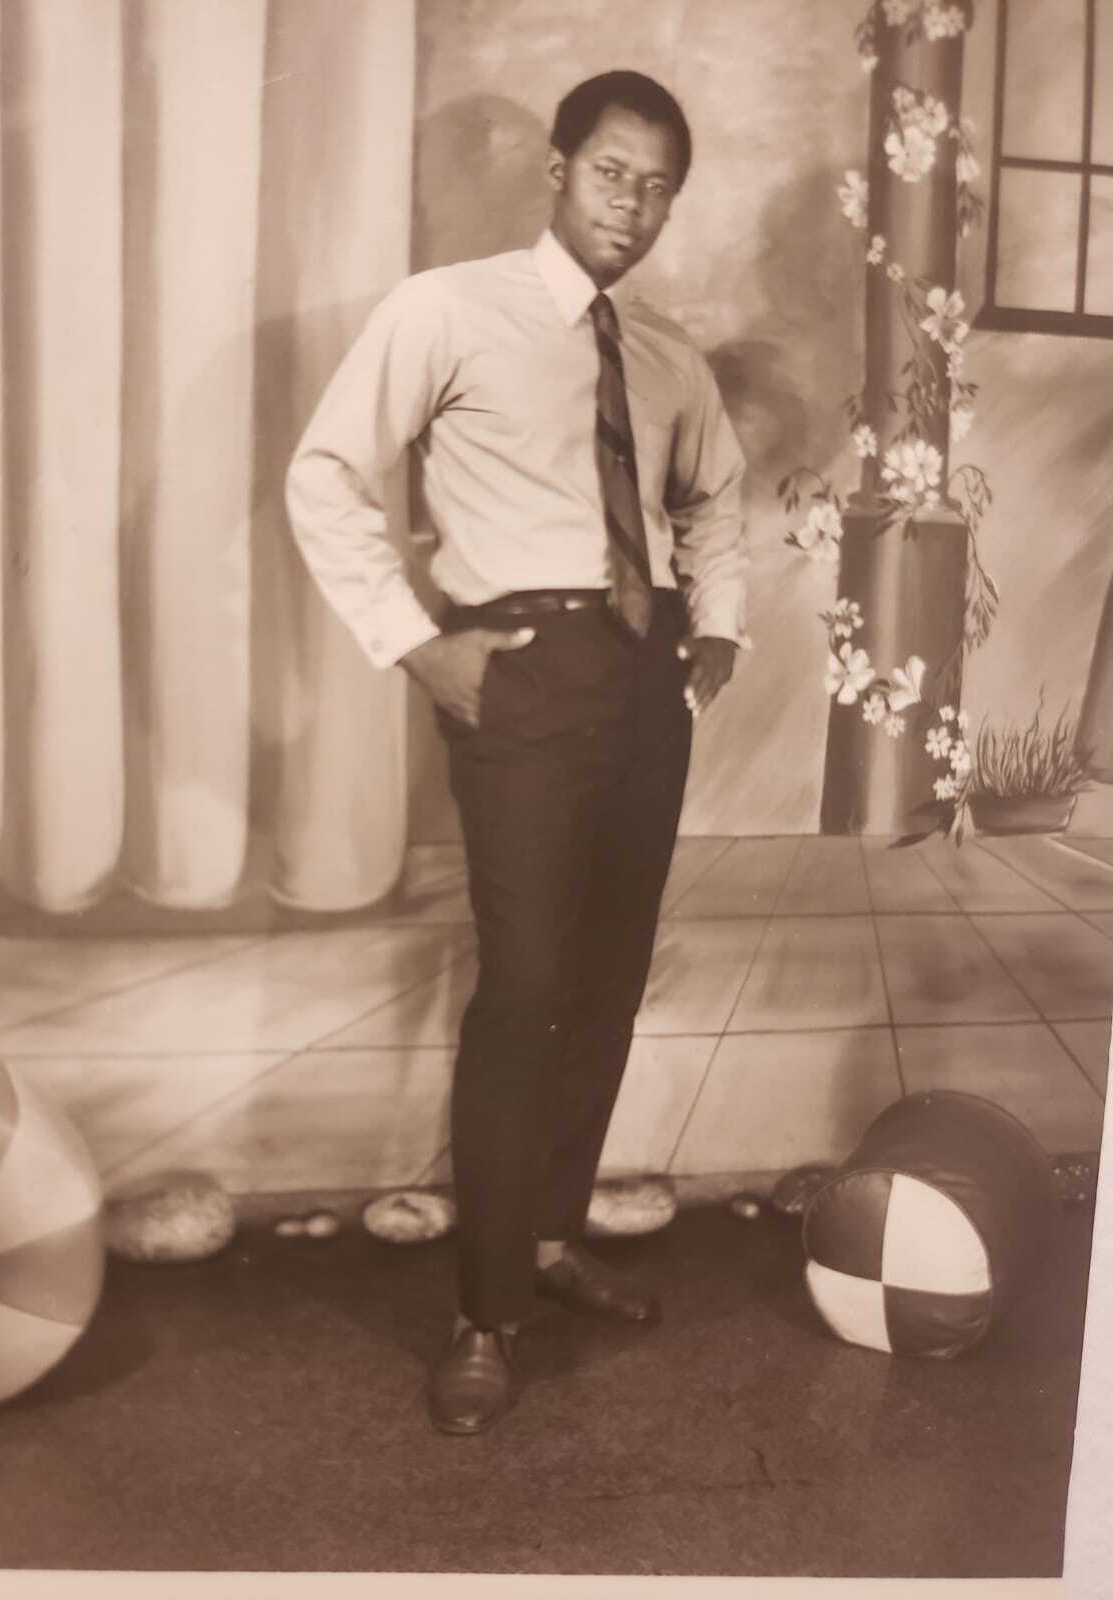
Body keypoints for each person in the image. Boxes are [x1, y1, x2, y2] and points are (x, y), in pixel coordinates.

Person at [286, 70, 749, 1435]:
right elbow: (325, 473)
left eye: (659, 187)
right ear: (558, 170)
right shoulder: (445, 309)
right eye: (613, 174)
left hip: (642, 682)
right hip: (519, 674)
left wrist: (717, 630)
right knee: (526, 988)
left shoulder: (665, 354)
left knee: (605, 984)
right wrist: (417, 645)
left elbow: (713, 500)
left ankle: (549, 1240)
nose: (635, 206)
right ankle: (484, 1317)